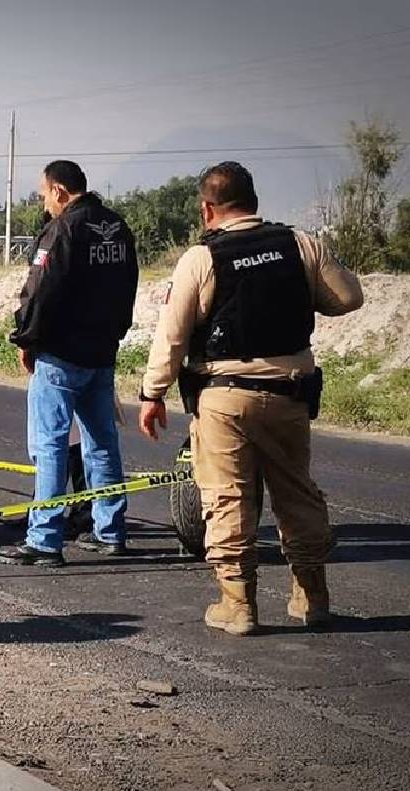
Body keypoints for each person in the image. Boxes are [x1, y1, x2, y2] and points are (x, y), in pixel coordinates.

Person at [137, 161, 363, 636]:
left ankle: (238, 605)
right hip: (289, 395)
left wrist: (152, 393)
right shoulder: (300, 244)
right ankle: (311, 597)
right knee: (297, 495)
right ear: (255, 201)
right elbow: (347, 297)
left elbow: (172, 336)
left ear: (206, 209)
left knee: (227, 500)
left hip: (225, 399)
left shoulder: (201, 258)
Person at [0, 160, 139, 566]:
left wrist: (25, 338)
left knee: (50, 445)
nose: (44, 202)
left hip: (61, 355)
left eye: (44, 193)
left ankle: (44, 539)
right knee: (102, 444)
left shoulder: (62, 229)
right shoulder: (116, 226)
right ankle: (110, 531)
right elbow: (129, 283)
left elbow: (40, 291)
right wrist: (115, 333)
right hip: (102, 352)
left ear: (59, 190)